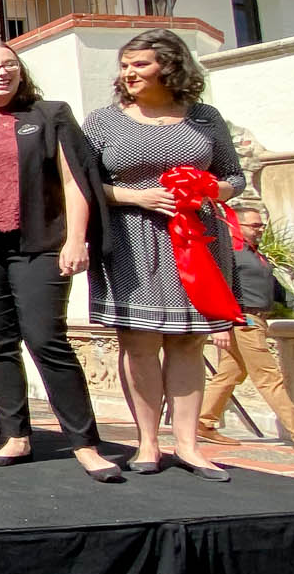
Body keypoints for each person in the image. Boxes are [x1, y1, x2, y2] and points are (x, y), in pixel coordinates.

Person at [0, 43, 117, 481]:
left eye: (8, 64)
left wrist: (76, 240)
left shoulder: (50, 115)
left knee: (46, 340)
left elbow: (74, 180)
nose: (0, 72)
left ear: (20, 71)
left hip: (39, 245)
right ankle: (15, 435)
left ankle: (85, 443)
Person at [83, 27, 244, 481]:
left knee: (189, 341)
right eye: (125, 65)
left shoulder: (205, 118)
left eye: (140, 64)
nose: (129, 73)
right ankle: (147, 443)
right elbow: (83, 184)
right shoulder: (103, 121)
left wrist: (208, 189)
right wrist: (137, 197)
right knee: (139, 342)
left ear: (169, 66)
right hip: (131, 240)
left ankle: (189, 446)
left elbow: (234, 176)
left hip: (197, 242)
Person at [199, 203, 294, 455]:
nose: (260, 229)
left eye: (262, 225)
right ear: (236, 225)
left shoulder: (253, 254)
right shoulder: (229, 253)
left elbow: (275, 286)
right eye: (254, 225)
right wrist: (218, 323)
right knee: (269, 377)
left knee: (231, 373)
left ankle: (203, 422)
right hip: (244, 321)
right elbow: (215, 287)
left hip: (253, 320)